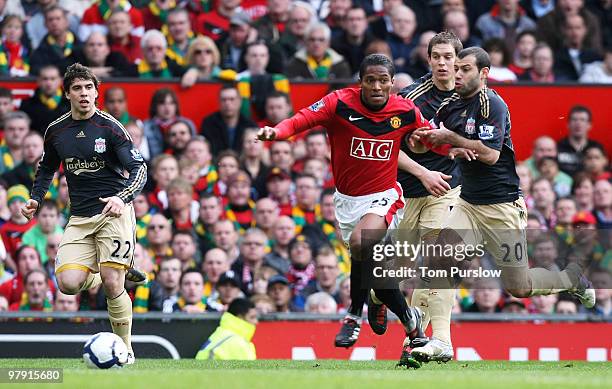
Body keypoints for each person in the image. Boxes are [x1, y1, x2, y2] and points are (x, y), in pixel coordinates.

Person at [409, 46, 595, 360]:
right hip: (467, 203)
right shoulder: (450, 104)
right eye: (457, 68)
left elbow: (490, 154)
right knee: (439, 265)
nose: (457, 73)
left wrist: (452, 141)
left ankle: (570, 278)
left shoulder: (491, 104)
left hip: (502, 208)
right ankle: (441, 342)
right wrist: (421, 141)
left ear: (483, 73)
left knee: (518, 286)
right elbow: (434, 140)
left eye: (465, 69)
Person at [259, 54, 436, 351]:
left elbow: (429, 136)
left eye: (383, 81)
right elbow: (302, 119)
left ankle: (354, 314)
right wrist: (276, 132)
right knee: (376, 275)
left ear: (393, 83)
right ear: (360, 82)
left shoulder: (406, 111)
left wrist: (447, 147)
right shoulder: (339, 103)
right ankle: (412, 323)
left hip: (385, 196)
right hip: (347, 201)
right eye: (371, 80)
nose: (377, 86)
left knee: (360, 242)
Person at [22, 63, 148, 364]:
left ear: (96, 92)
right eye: (77, 88)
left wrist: (122, 197)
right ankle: (109, 270)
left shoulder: (111, 127)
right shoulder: (56, 131)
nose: (84, 94)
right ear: (67, 94)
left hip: (113, 212)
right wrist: (36, 199)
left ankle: (126, 350)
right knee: (67, 284)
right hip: (79, 217)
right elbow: (46, 169)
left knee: (113, 281)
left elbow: (139, 168)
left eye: (89, 88)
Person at [379, 31, 463, 365]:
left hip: (447, 192)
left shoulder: (473, 95)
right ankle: (378, 299)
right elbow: (389, 148)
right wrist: (423, 172)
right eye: (436, 57)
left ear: (458, 59)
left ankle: (423, 342)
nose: (442, 63)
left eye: (448, 57)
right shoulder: (411, 98)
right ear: (428, 59)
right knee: (388, 277)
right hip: (408, 193)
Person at [19, 65, 70, 135]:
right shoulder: (27, 105)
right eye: (45, 79)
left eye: (53, 79)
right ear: (38, 81)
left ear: (60, 81)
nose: (49, 83)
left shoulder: (70, 103)